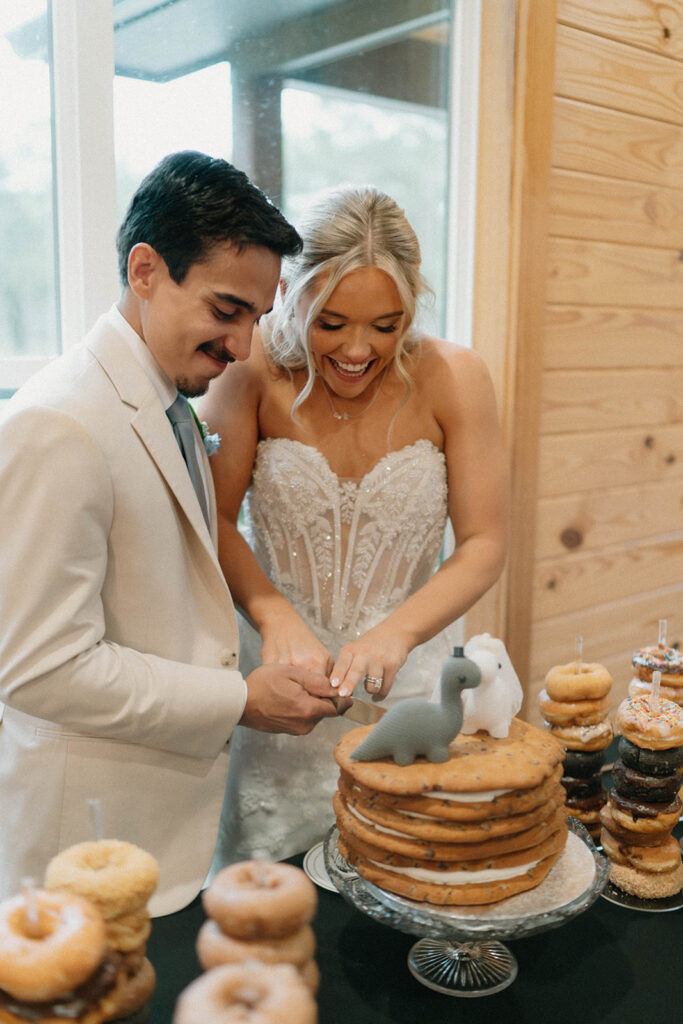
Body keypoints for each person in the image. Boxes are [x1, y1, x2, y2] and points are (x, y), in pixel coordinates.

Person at [0, 151, 344, 915]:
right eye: (227, 311)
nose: (244, 348)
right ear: (146, 270)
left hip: (167, 835)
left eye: (256, 317)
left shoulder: (165, 394)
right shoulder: (57, 425)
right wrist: (237, 698)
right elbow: (39, 671)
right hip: (83, 858)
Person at [199, 185, 509, 866]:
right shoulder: (249, 372)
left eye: (386, 324)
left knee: (412, 876)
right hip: (278, 685)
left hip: (405, 692)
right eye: (330, 322)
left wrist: (395, 632)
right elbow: (215, 521)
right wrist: (273, 614)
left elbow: (484, 543)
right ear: (290, 292)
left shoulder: (455, 377)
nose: (357, 350)